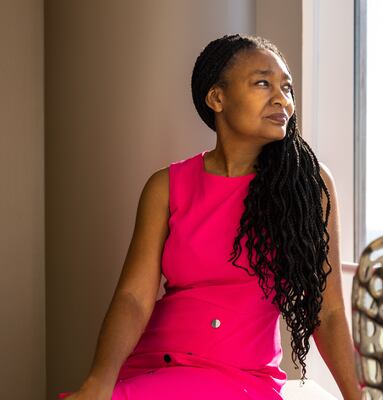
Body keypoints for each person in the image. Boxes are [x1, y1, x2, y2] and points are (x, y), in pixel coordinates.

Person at [57, 33, 361, 400]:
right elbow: (134, 298)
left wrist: (357, 396)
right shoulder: (165, 187)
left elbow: (326, 312)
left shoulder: (309, 186)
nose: (282, 98)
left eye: (287, 88)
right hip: (154, 364)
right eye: (263, 83)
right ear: (217, 97)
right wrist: (99, 383)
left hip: (241, 378)